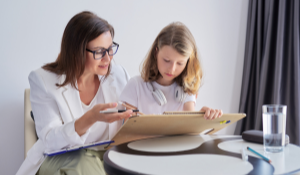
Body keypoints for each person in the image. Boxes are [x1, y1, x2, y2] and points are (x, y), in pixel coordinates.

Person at [16, 11, 133, 175]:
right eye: (99, 52)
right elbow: (50, 141)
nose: (108, 59)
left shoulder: (117, 74)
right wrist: (90, 117)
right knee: (83, 162)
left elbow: (128, 122)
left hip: (107, 155)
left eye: (110, 49)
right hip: (61, 157)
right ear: (76, 51)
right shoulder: (43, 80)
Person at [120, 22, 222, 119]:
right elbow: (127, 133)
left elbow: (189, 132)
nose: (172, 69)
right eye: (166, 60)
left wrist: (203, 118)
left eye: (180, 63)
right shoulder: (135, 86)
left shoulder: (186, 90)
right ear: (156, 53)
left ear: (188, 62)